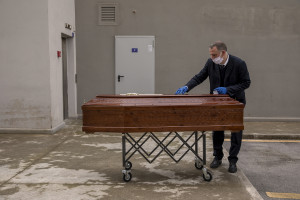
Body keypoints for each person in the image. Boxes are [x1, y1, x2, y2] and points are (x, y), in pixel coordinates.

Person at [175, 41, 251, 173]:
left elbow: (246, 82)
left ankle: (233, 160)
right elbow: (199, 77)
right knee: (217, 130)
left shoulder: (239, 63)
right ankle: (218, 156)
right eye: (211, 55)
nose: (212, 58)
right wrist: (187, 86)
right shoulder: (211, 63)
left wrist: (228, 89)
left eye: (214, 55)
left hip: (235, 103)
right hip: (217, 103)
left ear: (223, 53)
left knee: (235, 132)